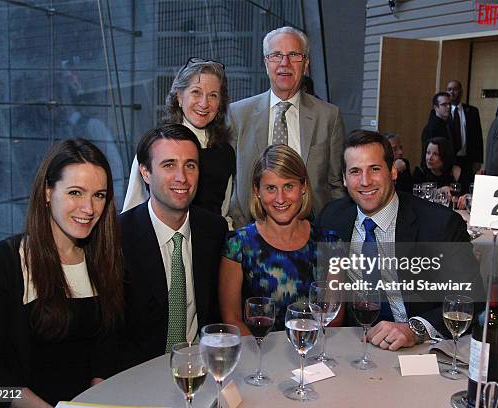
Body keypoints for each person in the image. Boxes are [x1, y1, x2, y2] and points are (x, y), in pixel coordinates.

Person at [0, 139, 124, 407]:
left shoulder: (103, 259)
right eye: (76, 192)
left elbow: (106, 349)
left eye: (99, 195)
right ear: (47, 192)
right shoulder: (1, 263)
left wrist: (93, 399)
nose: (89, 208)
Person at [318, 130, 480, 351]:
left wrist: (415, 329)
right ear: (344, 179)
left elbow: (471, 299)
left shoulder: (440, 225)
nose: (365, 181)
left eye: (374, 169)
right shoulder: (332, 218)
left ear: (393, 171)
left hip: (419, 348)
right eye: (355, 171)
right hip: (354, 345)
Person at [119, 124, 228, 370]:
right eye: (168, 165)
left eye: (190, 165)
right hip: (138, 376)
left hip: (203, 369)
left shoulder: (214, 230)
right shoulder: (118, 237)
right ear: (145, 172)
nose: (182, 177)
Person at [228, 26, 346, 229]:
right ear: (266, 63)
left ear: (306, 63)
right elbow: (228, 181)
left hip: (312, 234)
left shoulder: (329, 116)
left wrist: (333, 234)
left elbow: (336, 184)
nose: (285, 63)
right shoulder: (238, 114)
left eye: (294, 55)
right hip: (250, 232)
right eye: (276, 55)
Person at [219, 144, 340, 333]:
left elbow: (333, 318)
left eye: (289, 186)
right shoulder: (238, 244)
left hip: (313, 354)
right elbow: (232, 320)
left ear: (303, 187)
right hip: (258, 354)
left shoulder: (331, 244)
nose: (280, 198)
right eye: (270, 188)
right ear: (257, 191)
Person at [123, 58, 235, 220]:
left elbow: (222, 212)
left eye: (213, 95)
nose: (204, 103)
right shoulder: (156, 145)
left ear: (220, 103)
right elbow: (131, 211)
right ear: (179, 97)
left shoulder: (226, 153)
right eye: (196, 92)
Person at [445, 80, 484, 174]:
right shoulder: (444, 112)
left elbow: (478, 136)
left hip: (467, 158)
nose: (452, 92)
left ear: (461, 91)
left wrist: (478, 159)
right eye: (449, 89)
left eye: (455, 89)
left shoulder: (472, 111)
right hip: (448, 159)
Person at [421, 92, 457, 163]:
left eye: (449, 104)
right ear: (435, 107)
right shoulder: (432, 127)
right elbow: (428, 153)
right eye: (444, 104)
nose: (448, 107)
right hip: (436, 168)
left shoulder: (449, 124)